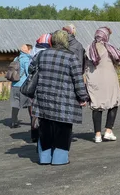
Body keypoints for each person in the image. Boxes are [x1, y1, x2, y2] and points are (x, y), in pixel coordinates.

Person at [31, 30, 88, 165]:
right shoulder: (71, 57)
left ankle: (44, 158)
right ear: (65, 42)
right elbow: (78, 80)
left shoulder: (41, 55)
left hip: (43, 99)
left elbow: (30, 71)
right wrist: (83, 97)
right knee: (62, 130)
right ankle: (59, 159)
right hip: (65, 101)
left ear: (51, 41)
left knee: (45, 129)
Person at [84, 27, 120, 143]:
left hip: (93, 81)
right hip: (109, 80)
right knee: (114, 103)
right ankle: (108, 131)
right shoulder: (109, 47)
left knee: (97, 106)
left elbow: (84, 65)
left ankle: (97, 135)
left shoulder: (88, 48)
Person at [28, 33, 52, 143]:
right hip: (44, 86)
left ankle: (34, 134)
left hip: (34, 86)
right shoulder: (47, 53)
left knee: (34, 110)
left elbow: (29, 69)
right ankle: (42, 134)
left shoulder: (34, 52)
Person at [9, 44, 33, 128]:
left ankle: (13, 122)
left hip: (14, 84)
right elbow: (28, 72)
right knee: (30, 103)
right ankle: (33, 121)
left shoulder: (16, 58)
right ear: (27, 50)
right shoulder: (26, 59)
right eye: (30, 50)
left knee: (15, 103)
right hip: (23, 85)